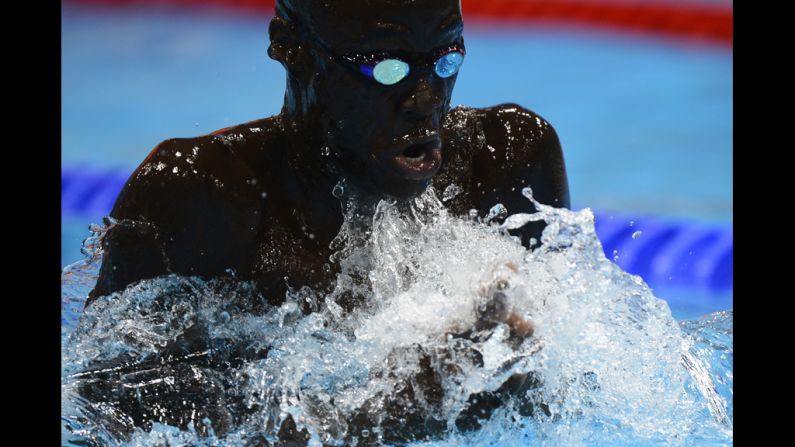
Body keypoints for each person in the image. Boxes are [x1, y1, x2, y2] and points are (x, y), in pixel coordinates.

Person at [79, 0, 570, 443]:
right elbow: (104, 418)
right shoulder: (201, 197)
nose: (425, 97)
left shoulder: (506, 164)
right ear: (292, 49)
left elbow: (568, 395)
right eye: (387, 67)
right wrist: (400, 411)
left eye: (447, 58)